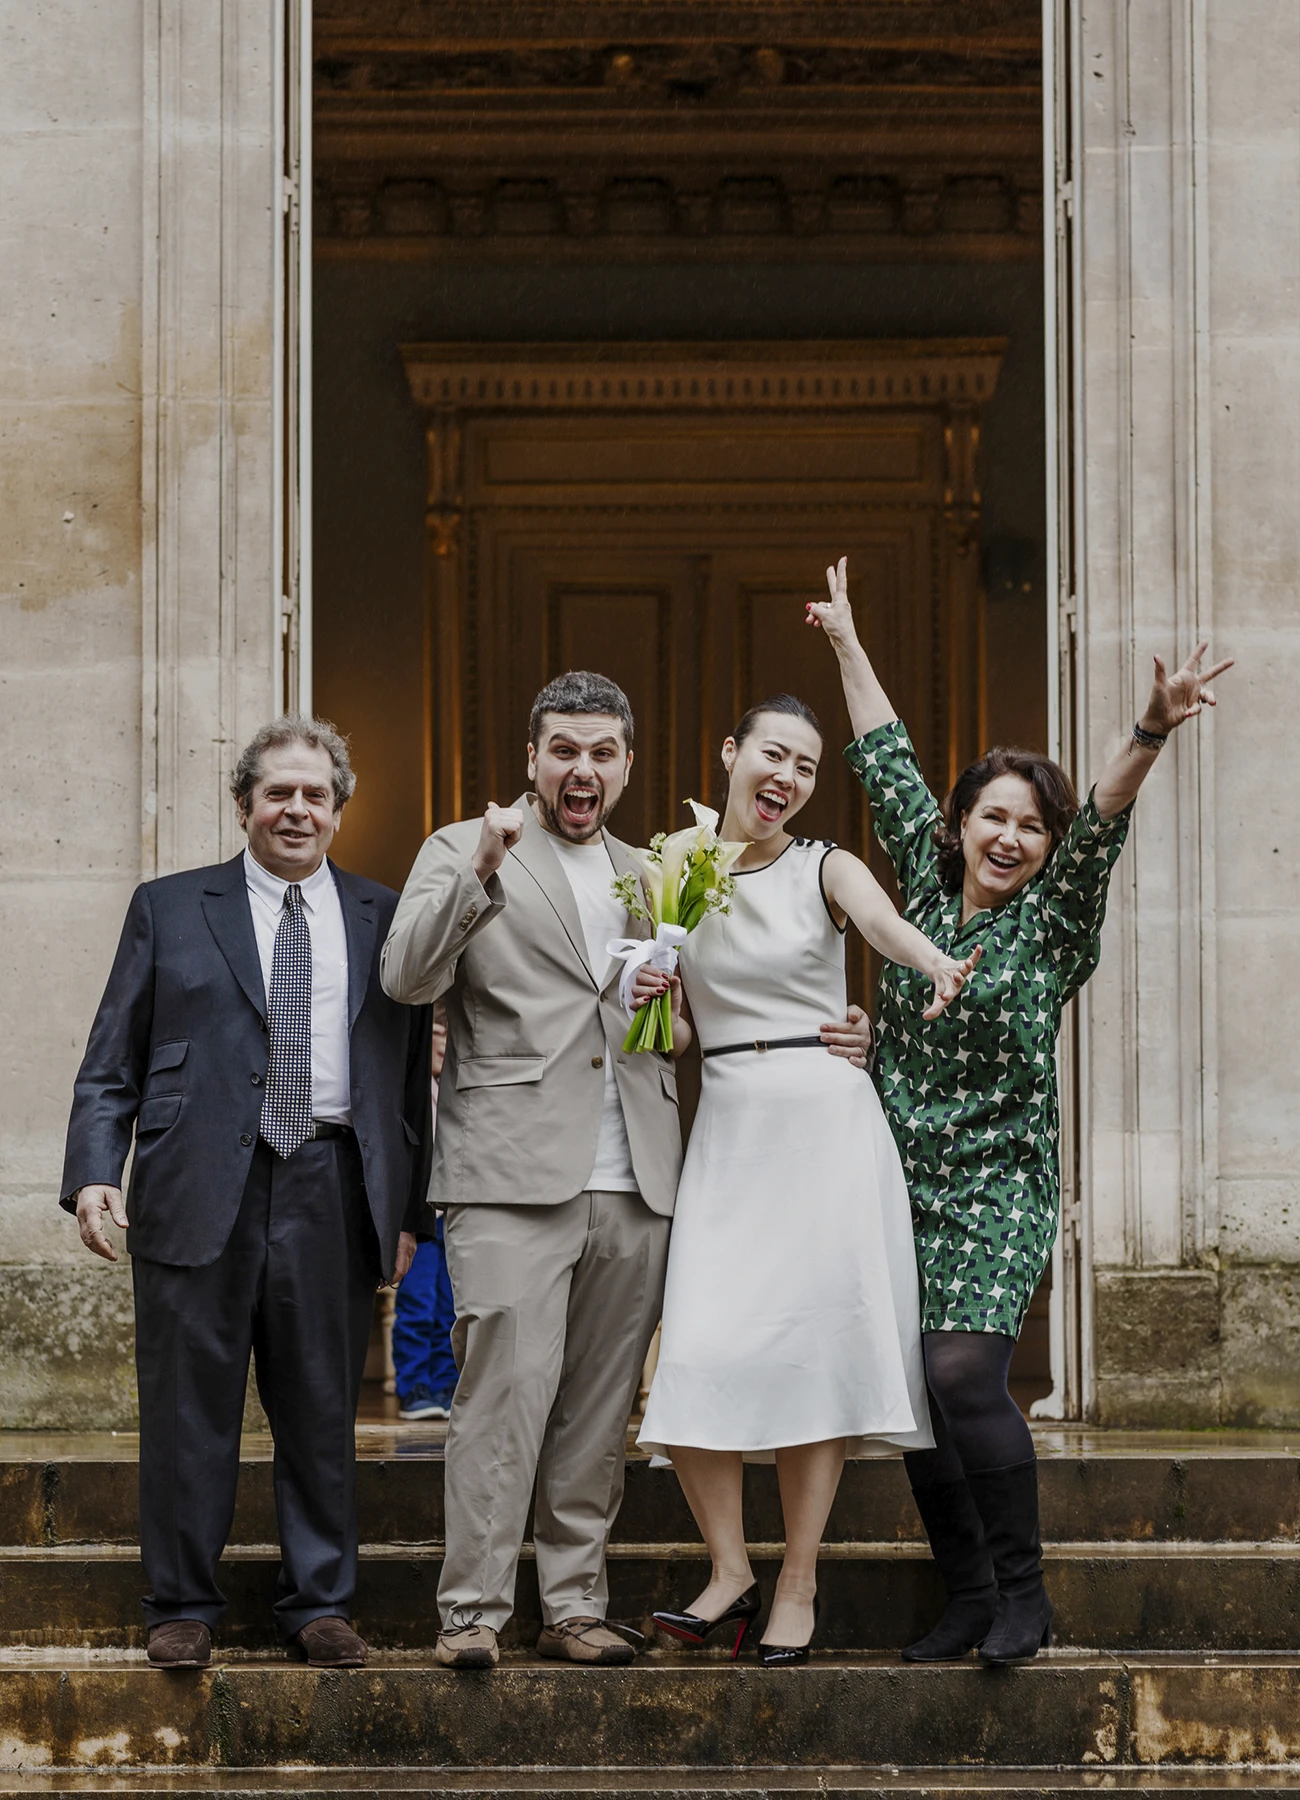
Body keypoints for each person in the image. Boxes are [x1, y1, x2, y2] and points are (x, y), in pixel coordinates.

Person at [380, 670, 877, 1670]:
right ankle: (472, 1610)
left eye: (602, 752)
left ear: (625, 767)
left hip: (641, 1177)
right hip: (509, 1173)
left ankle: (572, 1604)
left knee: (601, 1408)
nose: (582, 768)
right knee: (503, 1396)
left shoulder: (647, 871)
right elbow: (407, 976)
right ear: (532, 759)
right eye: (564, 748)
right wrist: (481, 864)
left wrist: (832, 1030)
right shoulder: (463, 847)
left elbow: (684, 1025)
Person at [810, 555, 1233, 1665]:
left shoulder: (1053, 923)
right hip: (894, 1170)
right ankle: (965, 1597)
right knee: (911, 1387)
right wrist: (848, 640)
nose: (1009, 837)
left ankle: (1024, 1596)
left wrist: (1148, 728)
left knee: (960, 1373)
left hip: (998, 1178)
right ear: (958, 824)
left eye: (1028, 828)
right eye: (991, 817)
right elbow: (886, 757)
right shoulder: (916, 878)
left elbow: (1101, 815)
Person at [61, 715, 433, 1670]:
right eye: (278, 793)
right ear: (244, 806)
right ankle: (180, 1603)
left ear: (340, 811)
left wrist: (408, 1213)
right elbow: (111, 1063)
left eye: (316, 795)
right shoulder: (170, 907)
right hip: (193, 1189)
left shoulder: (387, 920)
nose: (296, 810)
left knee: (321, 1412)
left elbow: (406, 1089)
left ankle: (318, 1604)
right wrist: (97, 1174)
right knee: (188, 1412)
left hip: (332, 1184)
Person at [635, 694, 980, 1664]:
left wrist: (934, 964)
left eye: (805, 766)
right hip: (729, 1123)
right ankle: (729, 1570)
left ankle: (797, 1577)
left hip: (824, 1123)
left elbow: (884, 927)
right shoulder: (677, 875)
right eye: (771, 755)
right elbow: (685, 1033)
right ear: (730, 752)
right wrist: (654, 1006)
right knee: (696, 1346)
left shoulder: (826, 866)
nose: (784, 778)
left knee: (809, 1359)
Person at [392, 1005, 458, 1422]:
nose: (443, 1044)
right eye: (435, 1033)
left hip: (454, 1217)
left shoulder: (456, 1093)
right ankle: (414, 1384)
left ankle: (447, 1382)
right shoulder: (416, 1095)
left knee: (451, 1306)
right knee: (418, 1303)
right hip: (424, 1217)